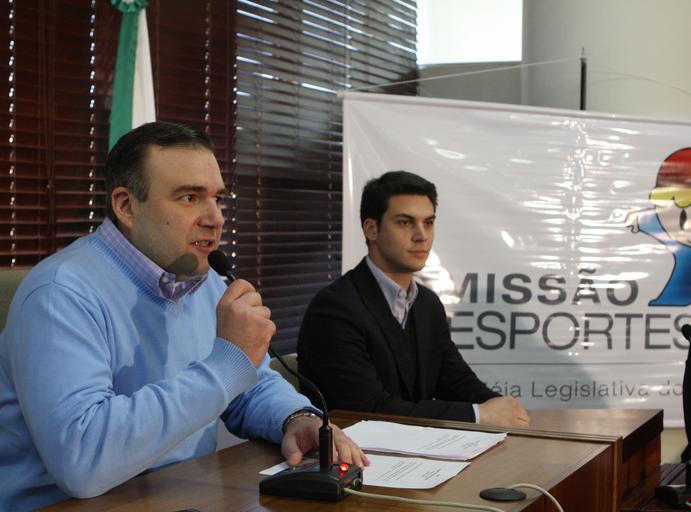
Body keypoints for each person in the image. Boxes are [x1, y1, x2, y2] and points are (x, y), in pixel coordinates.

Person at [0, 122, 367, 511]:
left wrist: (295, 417)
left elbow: (249, 385)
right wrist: (226, 363)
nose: (215, 218)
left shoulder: (200, 281)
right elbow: (83, 460)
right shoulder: (61, 293)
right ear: (126, 206)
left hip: (181, 496)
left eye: (218, 199)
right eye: (190, 197)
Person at [298, 171, 531, 427]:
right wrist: (479, 414)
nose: (422, 235)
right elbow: (367, 409)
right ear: (371, 229)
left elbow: (456, 380)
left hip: (419, 446)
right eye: (405, 223)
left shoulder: (427, 303)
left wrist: (501, 408)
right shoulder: (334, 309)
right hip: (354, 447)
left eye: (428, 223)